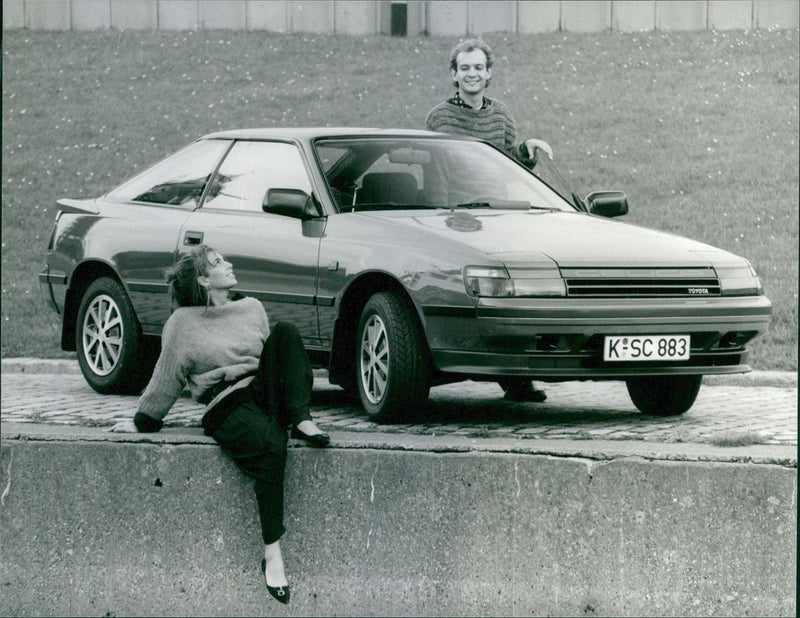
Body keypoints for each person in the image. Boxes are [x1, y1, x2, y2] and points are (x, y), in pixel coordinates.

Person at [110, 244, 330, 605]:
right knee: (273, 446)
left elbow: (272, 361)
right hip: (225, 403)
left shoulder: (252, 308)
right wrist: (143, 420)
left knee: (288, 332)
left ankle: (302, 419)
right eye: (217, 263)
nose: (228, 265)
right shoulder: (182, 323)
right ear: (202, 279)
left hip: (261, 391)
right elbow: (166, 377)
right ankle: (272, 553)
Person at [425, 37, 550, 403]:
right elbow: (433, 168)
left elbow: (511, 164)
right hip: (455, 214)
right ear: (454, 74)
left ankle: (517, 379)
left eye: (478, 67)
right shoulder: (440, 117)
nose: (472, 74)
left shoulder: (501, 116)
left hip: (499, 214)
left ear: (488, 72)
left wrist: (527, 151)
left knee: (516, 294)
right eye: (465, 68)